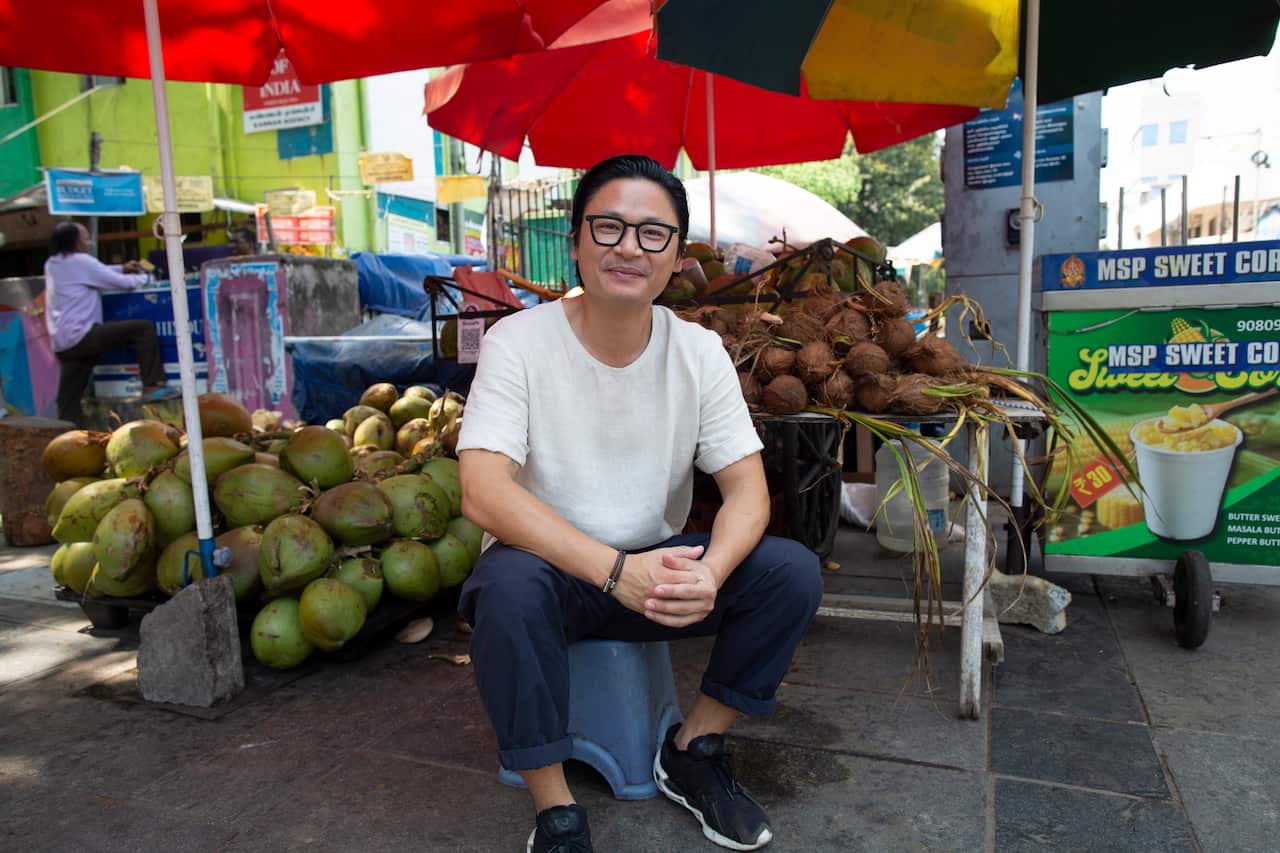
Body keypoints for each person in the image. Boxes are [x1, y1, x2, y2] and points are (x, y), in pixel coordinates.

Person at [456, 154, 823, 853]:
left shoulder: (699, 352)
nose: (629, 246)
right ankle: (555, 806)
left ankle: (695, 747)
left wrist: (710, 572)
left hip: (655, 572)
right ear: (574, 240)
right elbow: (483, 489)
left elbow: (747, 489)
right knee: (504, 587)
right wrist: (610, 570)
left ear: (677, 257)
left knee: (789, 572)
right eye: (609, 226)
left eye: (654, 233)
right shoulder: (517, 343)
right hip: (552, 570)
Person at [44, 221, 175, 425]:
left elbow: (95, 271)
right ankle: (152, 385)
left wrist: (122, 267)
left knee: (68, 399)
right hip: (84, 336)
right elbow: (119, 282)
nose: (89, 242)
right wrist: (145, 278)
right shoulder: (82, 261)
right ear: (75, 242)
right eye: (85, 237)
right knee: (142, 329)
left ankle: (68, 438)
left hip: (63, 344)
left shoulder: (52, 263)